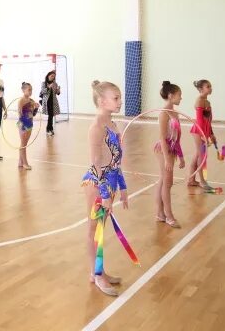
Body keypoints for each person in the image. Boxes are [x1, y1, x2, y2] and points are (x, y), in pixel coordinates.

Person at [82, 80, 128, 297]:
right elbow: (96, 164)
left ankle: (98, 271)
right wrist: (104, 194)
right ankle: (96, 274)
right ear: (102, 101)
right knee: (95, 230)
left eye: (119, 97)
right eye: (116, 98)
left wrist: (121, 187)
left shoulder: (112, 123)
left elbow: (116, 160)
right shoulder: (97, 127)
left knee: (101, 229)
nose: (120, 101)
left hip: (109, 182)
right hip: (97, 185)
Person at [154, 81, 184, 228]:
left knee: (165, 181)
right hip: (163, 149)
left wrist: (181, 155)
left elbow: (177, 135)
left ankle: (160, 213)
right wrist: (167, 158)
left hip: (172, 148)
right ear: (171, 95)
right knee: (167, 182)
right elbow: (162, 137)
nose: (181, 98)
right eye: (179, 95)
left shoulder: (175, 112)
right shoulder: (164, 114)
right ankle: (168, 215)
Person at [189, 79, 216, 191]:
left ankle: (191, 180)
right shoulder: (199, 101)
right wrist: (202, 134)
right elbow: (200, 120)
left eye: (210, 86)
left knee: (198, 154)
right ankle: (202, 181)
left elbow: (208, 120)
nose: (210, 88)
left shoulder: (207, 102)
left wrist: (211, 134)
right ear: (201, 89)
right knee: (202, 155)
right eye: (208, 86)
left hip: (204, 131)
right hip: (198, 131)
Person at [17, 82, 40, 170]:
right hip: (22, 123)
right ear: (23, 90)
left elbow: (33, 114)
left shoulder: (32, 101)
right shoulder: (21, 101)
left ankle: (20, 161)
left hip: (29, 124)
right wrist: (23, 125)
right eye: (29, 90)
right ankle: (25, 163)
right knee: (23, 144)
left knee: (24, 144)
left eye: (31, 90)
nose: (30, 92)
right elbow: (19, 114)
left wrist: (36, 108)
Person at [40, 70, 61, 136]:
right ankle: (49, 129)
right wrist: (48, 87)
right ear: (48, 76)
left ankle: (50, 129)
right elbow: (42, 91)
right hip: (47, 102)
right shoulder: (44, 83)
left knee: (51, 115)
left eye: (53, 77)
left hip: (53, 101)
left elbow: (57, 93)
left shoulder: (55, 84)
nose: (52, 77)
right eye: (51, 76)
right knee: (50, 115)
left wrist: (58, 90)